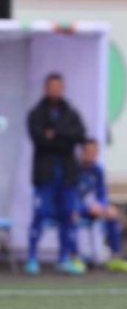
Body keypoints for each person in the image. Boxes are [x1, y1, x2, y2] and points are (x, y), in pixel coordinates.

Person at [26, 73, 87, 275]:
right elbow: (39, 140)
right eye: (51, 87)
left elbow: (80, 136)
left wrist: (56, 134)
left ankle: (63, 258)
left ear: (63, 89)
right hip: (45, 173)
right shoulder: (36, 113)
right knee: (41, 213)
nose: (55, 90)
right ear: (46, 89)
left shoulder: (71, 113)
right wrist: (62, 138)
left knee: (68, 215)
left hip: (67, 173)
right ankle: (32, 257)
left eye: (58, 87)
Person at [75, 138, 127, 272]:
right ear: (82, 152)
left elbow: (102, 194)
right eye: (89, 152)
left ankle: (115, 257)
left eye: (95, 152)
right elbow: (68, 197)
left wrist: (101, 206)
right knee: (71, 215)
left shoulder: (97, 170)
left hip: (92, 209)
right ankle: (74, 257)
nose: (92, 155)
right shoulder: (73, 170)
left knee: (112, 213)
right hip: (76, 209)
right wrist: (86, 208)